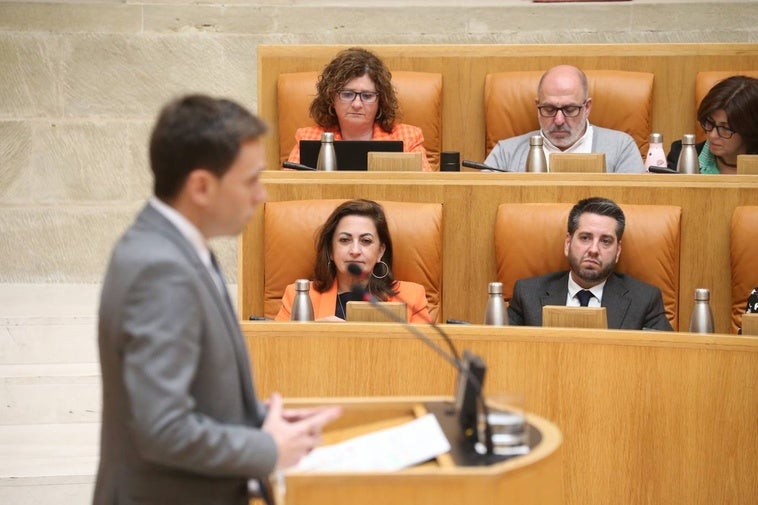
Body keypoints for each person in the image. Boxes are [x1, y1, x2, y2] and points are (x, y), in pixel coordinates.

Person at [94, 95, 341, 505]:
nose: (260, 195)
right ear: (202, 187)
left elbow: (195, 391)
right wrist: (268, 450)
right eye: (250, 180)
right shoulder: (161, 270)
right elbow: (163, 429)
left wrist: (263, 421)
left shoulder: (178, 244)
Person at [507, 197, 673, 331]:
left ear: (618, 251)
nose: (594, 250)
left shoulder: (644, 300)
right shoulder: (528, 294)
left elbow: (663, 359)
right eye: (585, 238)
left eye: (605, 241)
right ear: (568, 243)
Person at [275, 199, 430, 323]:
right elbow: (280, 353)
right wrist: (316, 334)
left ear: (380, 252)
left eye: (366, 241)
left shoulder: (412, 297)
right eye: (344, 240)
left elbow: (423, 358)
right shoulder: (300, 296)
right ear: (330, 250)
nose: (355, 251)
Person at [286, 47, 432, 171]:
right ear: (331, 98)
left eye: (367, 96)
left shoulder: (407, 138)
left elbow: (426, 191)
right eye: (347, 94)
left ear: (380, 100)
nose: (357, 104)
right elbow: (288, 192)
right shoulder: (308, 138)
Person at [484, 65, 644, 173]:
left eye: (570, 109)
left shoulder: (621, 148)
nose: (559, 120)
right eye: (549, 109)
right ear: (537, 107)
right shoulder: (506, 153)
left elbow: (632, 210)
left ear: (587, 107)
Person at [666, 75, 758, 174]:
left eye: (725, 128)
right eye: (710, 123)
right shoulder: (682, 156)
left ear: (749, 129)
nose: (712, 135)